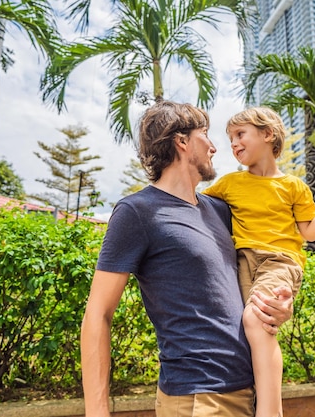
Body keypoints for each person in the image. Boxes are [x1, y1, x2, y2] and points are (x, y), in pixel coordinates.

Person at [80, 101, 294, 417]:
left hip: (248, 393)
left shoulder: (220, 211)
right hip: (198, 400)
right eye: (204, 135)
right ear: (182, 142)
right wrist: (97, 412)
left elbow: (260, 267)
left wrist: (278, 304)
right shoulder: (137, 212)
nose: (214, 147)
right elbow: (97, 314)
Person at [203, 107, 315, 417]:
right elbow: (196, 206)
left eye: (240, 134)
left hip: (280, 261)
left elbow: (310, 231)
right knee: (250, 330)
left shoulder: (293, 186)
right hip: (241, 263)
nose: (233, 143)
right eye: (230, 138)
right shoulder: (228, 184)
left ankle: (270, 411)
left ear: (267, 134)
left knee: (257, 318)